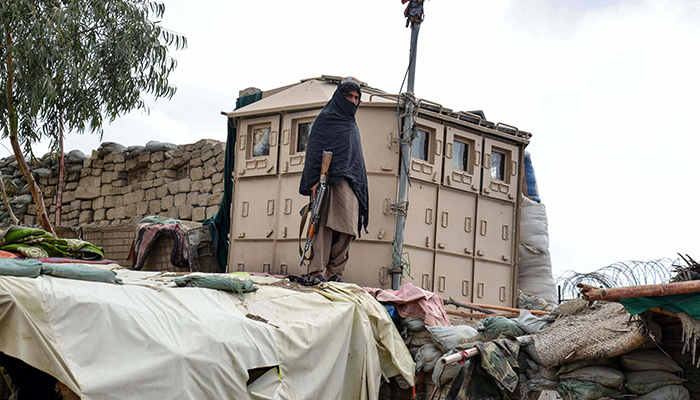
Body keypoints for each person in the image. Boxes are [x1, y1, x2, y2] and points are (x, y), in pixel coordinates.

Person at [298, 77, 369, 284]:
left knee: (348, 229)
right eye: (348, 96)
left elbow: (355, 159)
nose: (353, 101)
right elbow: (313, 151)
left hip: (351, 183)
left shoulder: (351, 124)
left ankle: (335, 271)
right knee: (325, 226)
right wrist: (313, 182)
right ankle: (316, 270)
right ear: (339, 96)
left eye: (356, 97)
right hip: (329, 182)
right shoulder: (326, 118)